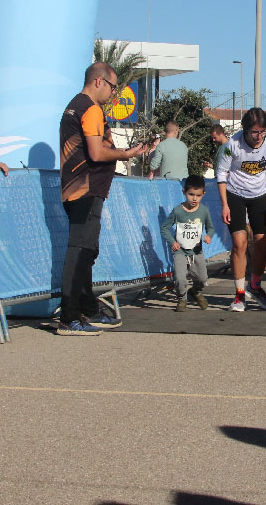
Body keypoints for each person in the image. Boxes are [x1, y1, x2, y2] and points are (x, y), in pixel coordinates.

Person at [57, 62, 148, 336]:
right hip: (85, 189)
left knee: (86, 253)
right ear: (99, 82)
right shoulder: (91, 109)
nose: (114, 92)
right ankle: (69, 317)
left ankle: (87, 310)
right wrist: (126, 155)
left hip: (79, 189)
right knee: (79, 252)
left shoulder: (75, 105)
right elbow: (96, 153)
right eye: (112, 86)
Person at [215, 107, 266, 312]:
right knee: (239, 243)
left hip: (259, 195)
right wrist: (225, 204)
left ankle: (255, 286)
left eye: (262, 131)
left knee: (262, 242)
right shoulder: (232, 145)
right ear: (245, 130)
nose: (259, 136)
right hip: (235, 194)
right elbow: (221, 174)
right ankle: (239, 295)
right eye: (254, 132)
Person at [160, 174, 215, 312]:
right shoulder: (178, 211)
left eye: (198, 195)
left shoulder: (203, 211)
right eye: (191, 194)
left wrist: (209, 236)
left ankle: (195, 292)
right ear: (184, 192)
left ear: (203, 194)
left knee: (202, 278)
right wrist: (173, 241)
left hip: (196, 251)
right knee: (180, 278)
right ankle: (182, 298)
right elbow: (165, 228)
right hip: (180, 251)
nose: (194, 199)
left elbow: (210, 227)